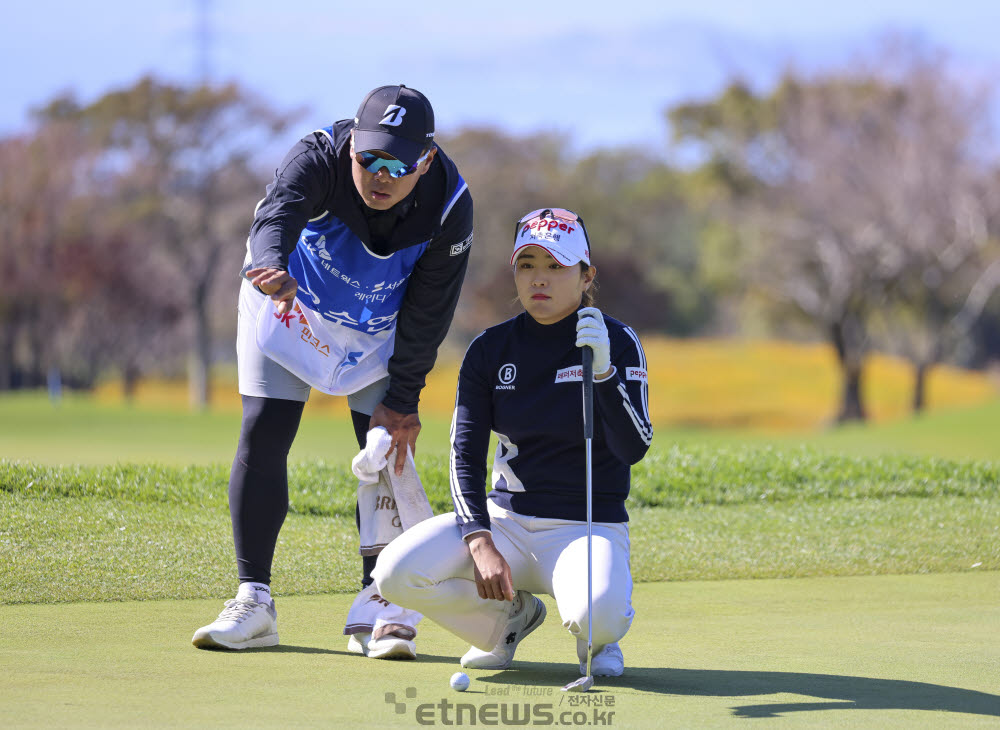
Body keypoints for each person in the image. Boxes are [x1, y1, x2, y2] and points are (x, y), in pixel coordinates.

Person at [191, 85, 474, 655]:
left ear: (426, 160)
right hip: (287, 301)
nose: (381, 175)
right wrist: (270, 265)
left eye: (399, 164)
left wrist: (405, 396)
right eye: (369, 158)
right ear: (354, 149)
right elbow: (275, 217)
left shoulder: (449, 204)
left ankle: (379, 605)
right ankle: (255, 603)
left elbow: (429, 314)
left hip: (375, 328)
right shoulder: (318, 156)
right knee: (264, 430)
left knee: (385, 453)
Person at [373, 207, 652, 676]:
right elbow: (465, 453)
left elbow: (634, 447)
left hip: (586, 527)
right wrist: (480, 539)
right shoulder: (489, 349)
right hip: (507, 522)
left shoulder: (617, 341)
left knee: (596, 617)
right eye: (527, 265)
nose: (538, 279)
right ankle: (507, 621)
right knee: (396, 573)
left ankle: (599, 640)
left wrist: (603, 372)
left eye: (555, 266)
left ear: (587, 276)